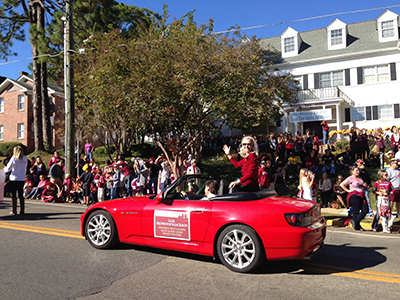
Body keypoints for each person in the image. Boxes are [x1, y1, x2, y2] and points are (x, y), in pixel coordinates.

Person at [340, 166, 369, 231]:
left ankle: (355, 221)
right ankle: (357, 225)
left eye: (358, 170)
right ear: (352, 171)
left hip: (362, 195)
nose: (358, 172)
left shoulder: (360, 177)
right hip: (354, 196)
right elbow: (342, 184)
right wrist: (348, 190)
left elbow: (361, 185)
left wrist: (364, 185)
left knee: (365, 210)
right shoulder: (350, 178)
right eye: (356, 171)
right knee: (356, 211)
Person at [4, 146, 28, 215]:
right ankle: (22, 210)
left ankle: (14, 210)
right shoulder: (25, 158)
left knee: (14, 194)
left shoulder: (14, 158)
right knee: (21, 194)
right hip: (22, 177)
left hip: (14, 178)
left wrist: (4, 170)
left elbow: (8, 168)